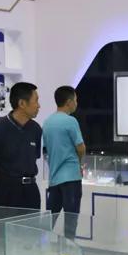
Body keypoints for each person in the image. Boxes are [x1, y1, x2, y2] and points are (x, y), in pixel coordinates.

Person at [0, 82, 42, 210]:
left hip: (30, 190)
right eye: (36, 101)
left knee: (32, 223)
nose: (39, 106)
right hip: (6, 192)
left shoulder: (36, 129)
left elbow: (34, 157)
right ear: (22, 103)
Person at [42, 86, 85, 239]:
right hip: (71, 177)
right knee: (71, 219)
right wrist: (79, 163)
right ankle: (70, 249)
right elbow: (81, 147)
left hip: (54, 177)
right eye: (75, 100)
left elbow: (46, 150)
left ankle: (40, 246)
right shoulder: (71, 121)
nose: (76, 103)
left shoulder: (47, 122)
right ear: (69, 102)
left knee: (49, 219)